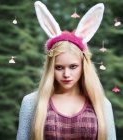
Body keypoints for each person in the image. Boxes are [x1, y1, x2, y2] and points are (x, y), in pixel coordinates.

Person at [16, 1, 116, 140]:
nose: (66, 74)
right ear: (50, 68)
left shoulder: (101, 104)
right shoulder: (31, 103)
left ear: (83, 66)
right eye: (59, 67)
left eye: (73, 66)